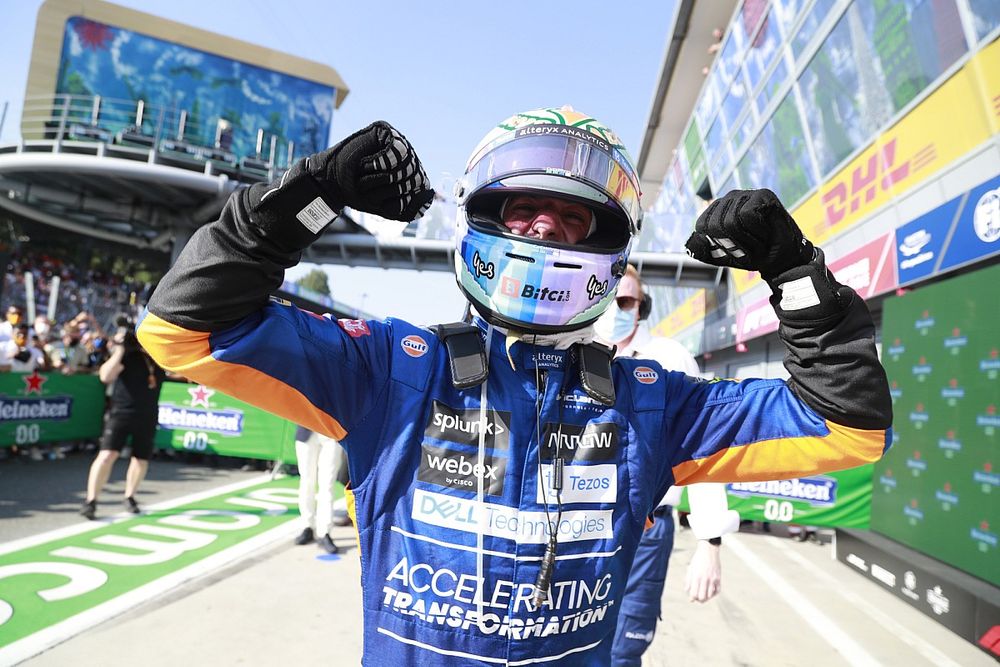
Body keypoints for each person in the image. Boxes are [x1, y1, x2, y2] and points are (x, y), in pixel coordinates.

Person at [137, 108, 892, 665]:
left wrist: (797, 275)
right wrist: (311, 194)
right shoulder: (395, 368)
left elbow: (846, 426)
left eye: (572, 216)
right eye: (523, 207)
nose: (543, 228)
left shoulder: (651, 400)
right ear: (481, 221)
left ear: (608, 249)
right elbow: (181, 328)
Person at [594, 265, 739, 666]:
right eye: (608, 297)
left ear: (642, 308)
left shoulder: (670, 359)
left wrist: (710, 542)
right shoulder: (567, 348)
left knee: (623, 650)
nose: (615, 309)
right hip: (576, 527)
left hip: (647, 529)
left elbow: (703, 447)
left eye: (626, 301)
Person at [81, 315, 166, 520]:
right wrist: (119, 350)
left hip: (148, 414)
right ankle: (91, 500)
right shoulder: (125, 356)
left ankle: (130, 496)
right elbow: (105, 376)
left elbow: (173, 367)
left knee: (141, 459)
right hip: (122, 412)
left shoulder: (157, 357)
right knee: (107, 455)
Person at [293, 425, 342, 554]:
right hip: (305, 430)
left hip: (331, 431)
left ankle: (324, 532)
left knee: (327, 484)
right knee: (306, 481)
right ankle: (307, 526)